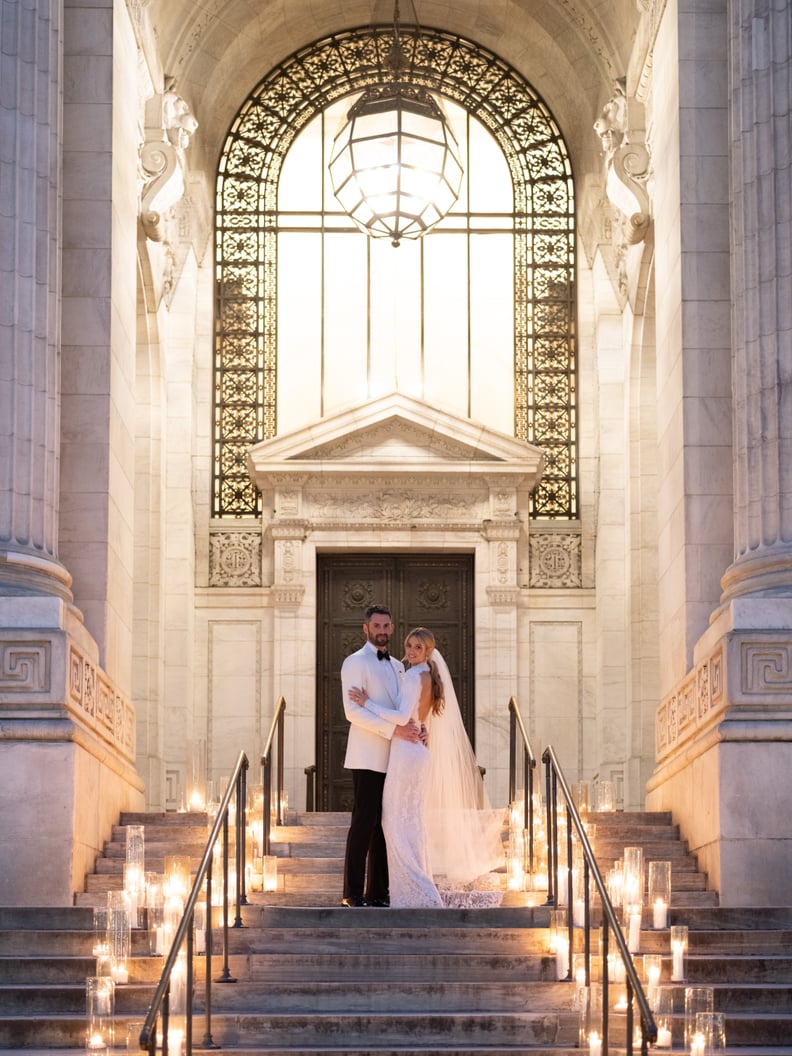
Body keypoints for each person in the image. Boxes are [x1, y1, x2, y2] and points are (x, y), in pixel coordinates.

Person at [349, 627, 506, 908]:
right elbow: (418, 717)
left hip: (406, 753)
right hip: (417, 750)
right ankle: (410, 886)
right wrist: (421, 729)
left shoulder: (412, 675)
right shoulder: (426, 677)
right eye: (409, 645)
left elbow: (399, 716)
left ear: (428, 651)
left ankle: (417, 888)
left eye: (418, 647)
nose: (410, 651)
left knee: (395, 822)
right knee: (410, 821)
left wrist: (367, 702)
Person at [340, 605, 423, 907]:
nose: (383, 631)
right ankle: (351, 893)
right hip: (367, 755)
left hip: (398, 757)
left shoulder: (399, 666)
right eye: (377, 626)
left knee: (386, 826)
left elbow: (404, 709)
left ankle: (379, 892)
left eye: (387, 626)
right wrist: (394, 732)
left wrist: (417, 729)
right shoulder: (354, 662)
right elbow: (353, 712)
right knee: (364, 823)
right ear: (366, 628)